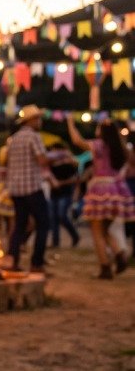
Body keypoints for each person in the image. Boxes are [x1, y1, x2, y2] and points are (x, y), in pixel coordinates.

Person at [66, 115, 134, 278]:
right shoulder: (122, 149)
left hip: (100, 189)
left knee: (96, 231)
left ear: (103, 132)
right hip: (117, 190)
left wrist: (70, 123)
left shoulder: (98, 145)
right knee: (105, 229)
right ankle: (119, 254)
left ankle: (105, 267)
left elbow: (77, 141)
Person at [5, 105, 53, 273]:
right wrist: (56, 158)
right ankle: (36, 263)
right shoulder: (34, 137)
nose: (40, 121)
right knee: (43, 223)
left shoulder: (13, 139)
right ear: (31, 120)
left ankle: (12, 260)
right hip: (32, 187)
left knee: (19, 225)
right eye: (38, 118)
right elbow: (42, 161)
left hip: (16, 189)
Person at [46, 143, 80, 249]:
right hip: (54, 194)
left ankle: (75, 236)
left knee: (62, 216)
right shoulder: (50, 165)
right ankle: (55, 242)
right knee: (54, 218)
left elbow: (76, 178)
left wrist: (61, 183)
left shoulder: (69, 164)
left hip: (65, 193)